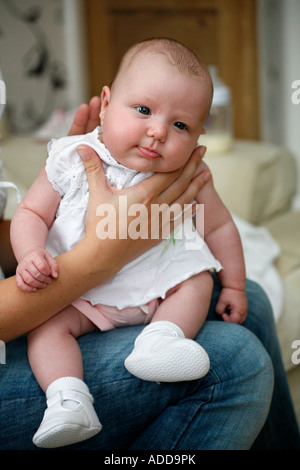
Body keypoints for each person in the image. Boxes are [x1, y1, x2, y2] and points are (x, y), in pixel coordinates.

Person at [0, 97, 299, 450]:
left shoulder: (188, 169)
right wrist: (32, 252)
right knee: (47, 328)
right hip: (80, 298)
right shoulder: (72, 156)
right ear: (107, 103)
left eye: (180, 125)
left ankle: (161, 339)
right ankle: (68, 398)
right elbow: (32, 213)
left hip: (158, 291)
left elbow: (218, 227)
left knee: (207, 283)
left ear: (200, 132)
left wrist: (233, 286)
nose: (158, 132)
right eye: (143, 110)